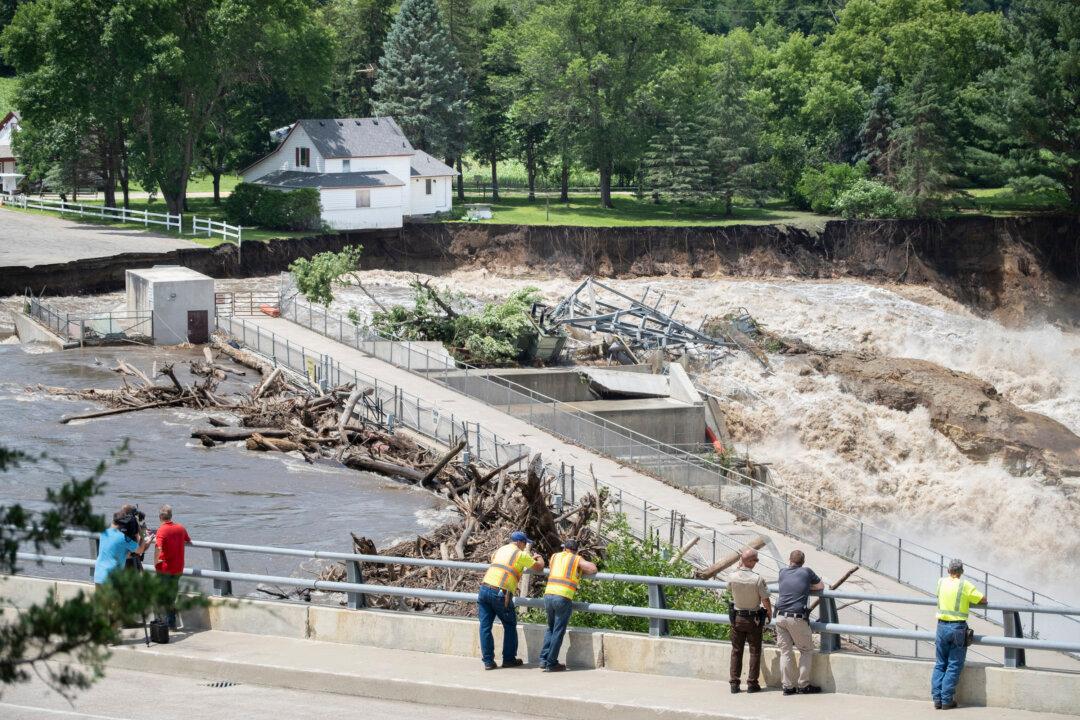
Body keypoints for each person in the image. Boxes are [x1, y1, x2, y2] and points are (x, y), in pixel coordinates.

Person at [478, 531, 545, 670]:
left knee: (485, 626)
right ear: (519, 542)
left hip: (484, 589)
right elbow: (539, 568)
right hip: (500, 592)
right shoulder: (520, 554)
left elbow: (498, 561)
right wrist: (539, 558)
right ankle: (508, 659)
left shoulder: (501, 549)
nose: (525, 546)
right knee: (509, 625)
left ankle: (488, 661)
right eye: (525, 543)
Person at [931, 559, 986, 710]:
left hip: (941, 627)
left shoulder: (941, 582)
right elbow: (983, 599)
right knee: (954, 665)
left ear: (948, 570)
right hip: (958, 629)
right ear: (961, 572)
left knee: (940, 664)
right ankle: (946, 700)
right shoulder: (964, 585)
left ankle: (937, 699)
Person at [539, 538, 597, 672]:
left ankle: (543, 659)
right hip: (562, 596)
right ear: (576, 550)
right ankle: (551, 663)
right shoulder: (576, 559)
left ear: (565, 548)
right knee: (558, 630)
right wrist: (581, 566)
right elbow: (592, 568)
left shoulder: (555, 556)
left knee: (550, 628)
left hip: (548, 594)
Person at [774, 549, 825, 695]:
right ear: (803, 562)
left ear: (789, 560)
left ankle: (787, 687)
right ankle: (803, 685)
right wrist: (807, 586)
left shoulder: (782, 572)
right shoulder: (806, 572)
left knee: (785, 652)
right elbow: (820, 586)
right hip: (796, 618)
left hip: (780, 617)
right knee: (806, 650)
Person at [727, 548, 772, 694]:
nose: (756, 562)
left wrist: (739, 566)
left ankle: (734, 683)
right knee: (755, 651)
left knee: (736, 651)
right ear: (752, 561)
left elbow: (728, 588)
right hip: (754, 619)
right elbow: (765, 599)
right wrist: (769, 613)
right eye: (756, 560)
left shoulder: (732, 576)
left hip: (737, 618)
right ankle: (752, 683)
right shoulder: (757, 579)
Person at [154, 505, 192, 630]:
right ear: (171, 516)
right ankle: (170, 621)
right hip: (178, 568)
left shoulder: (161, 530)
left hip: (165, 568)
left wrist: (156, 562)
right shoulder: (181, 528)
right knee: (171, 595)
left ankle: (168, 623)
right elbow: (188, 539)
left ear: (160, 516)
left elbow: (158, 547)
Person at [94, 509, 152, 585]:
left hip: (98, 576)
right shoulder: (123, 538)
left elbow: (123, 554)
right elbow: (140, 550)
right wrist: (143, 534)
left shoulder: (104, 533)